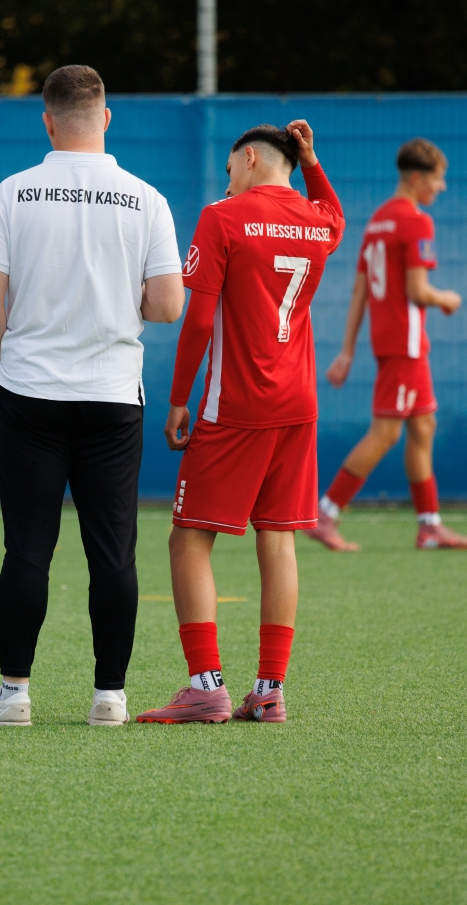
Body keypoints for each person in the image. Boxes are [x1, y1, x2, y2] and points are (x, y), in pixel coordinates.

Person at [0, 64, 184, 726]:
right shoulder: (146, 198)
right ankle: (109, 697)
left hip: (27, 392)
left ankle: (13, 695)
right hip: (113, 395)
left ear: (47, 121)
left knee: (28, 548)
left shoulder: (12, 193)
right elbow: (168, 305)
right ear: (106, 118)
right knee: (113, 552)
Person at [136, 121, 344, 725]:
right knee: (277, 538)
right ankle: (270, 690)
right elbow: (335, 214)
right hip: (298, 404)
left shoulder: (222, 217)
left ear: (248, 158)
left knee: (188, 537)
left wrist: (178, 398)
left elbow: (199, 320)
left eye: (229, 169)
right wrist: (312, 161)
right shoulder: (316, 221)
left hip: (236, 404)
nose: (226, 182)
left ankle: (206, 686)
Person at [304, 138, 467, 552]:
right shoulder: (417, 222)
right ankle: (325, 514)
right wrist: (447, 298)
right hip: (406, 345)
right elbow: (417, 290)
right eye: (438, 179)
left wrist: (348, 349)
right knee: (386, 432)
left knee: (423, 426)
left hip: (390, 342)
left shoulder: (377, 221)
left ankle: (429, 525)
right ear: (416, 179)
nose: (442, 187)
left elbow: (359, 290)